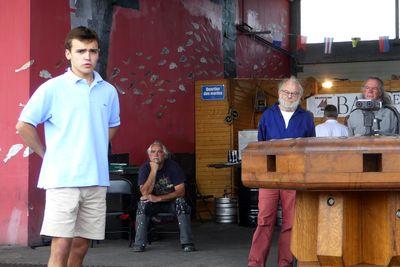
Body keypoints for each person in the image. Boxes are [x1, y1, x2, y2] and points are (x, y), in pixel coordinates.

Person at [16, 26, 120, 267]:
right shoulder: (53, 88)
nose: (87, 57)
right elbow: (23, 125)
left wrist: (94, 144)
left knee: (82, 245)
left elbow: (113, 125)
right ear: (68, 54)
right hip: (63, 179)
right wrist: (46, 154)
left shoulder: (108, 91)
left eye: (93, 51)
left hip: (96, 179)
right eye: (81, 51)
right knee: (61, 244)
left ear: (98, 54)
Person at [248, 76, 315, 267]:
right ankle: (255, 263)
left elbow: (310, 147)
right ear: (279, 94)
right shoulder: (267, 115)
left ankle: (285, 263)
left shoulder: (307, 117)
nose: (290, 96)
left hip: (295, 177)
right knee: (264, 220)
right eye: (286, 92)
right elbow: (260, 146)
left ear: (300, 96)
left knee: (291, 223)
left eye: (294, 93)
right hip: (269, 177)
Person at [133, 141, 195, 252]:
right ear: (149, 155)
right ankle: (139, 244)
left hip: (171, 202)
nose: (156, 155)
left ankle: (187, 243)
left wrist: (159, 198)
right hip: (152, 204)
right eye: (153, 152)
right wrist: (154, 170)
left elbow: (181, 192)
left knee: (181, 203)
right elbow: (145, 193)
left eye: (159, 152)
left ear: (164, 155)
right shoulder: (145, 168)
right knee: (142, 204)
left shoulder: (173, 166)